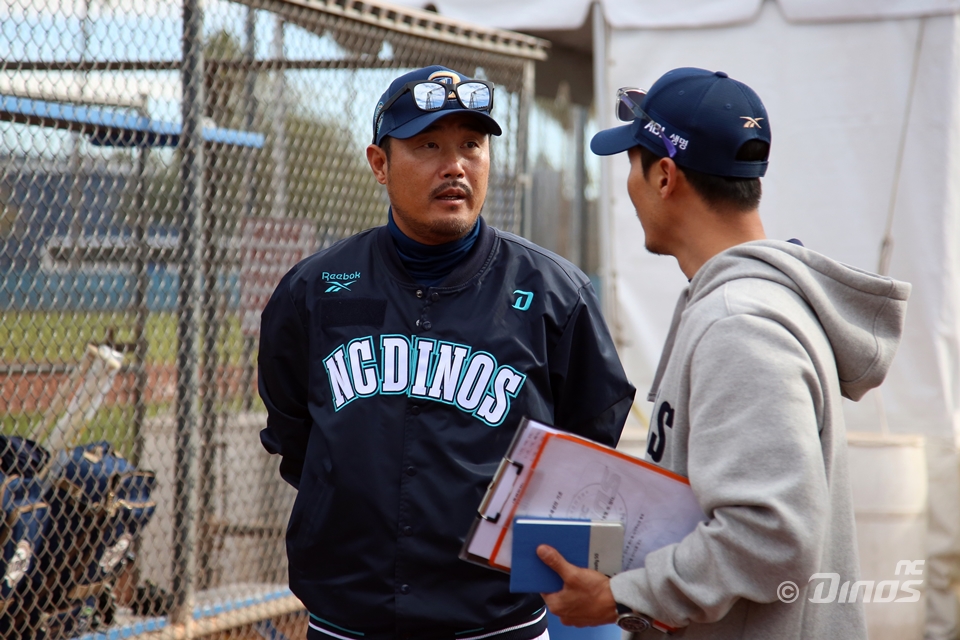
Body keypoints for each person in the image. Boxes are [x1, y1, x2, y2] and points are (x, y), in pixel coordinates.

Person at [257, 65, 636, 640]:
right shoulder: (314, 289)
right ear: (379, 164)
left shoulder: (554, 293)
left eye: (472, 145)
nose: (454, 164)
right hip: (349, 620)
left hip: (495, 622)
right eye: (428, 144)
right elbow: (294, 438)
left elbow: (590, 443)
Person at [534, 67, 911, 638]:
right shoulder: (734, 304)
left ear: (664, 176)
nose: (628, 189)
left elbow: (769, 536)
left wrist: (622, 596)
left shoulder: (740, 323)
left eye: (631, 165)